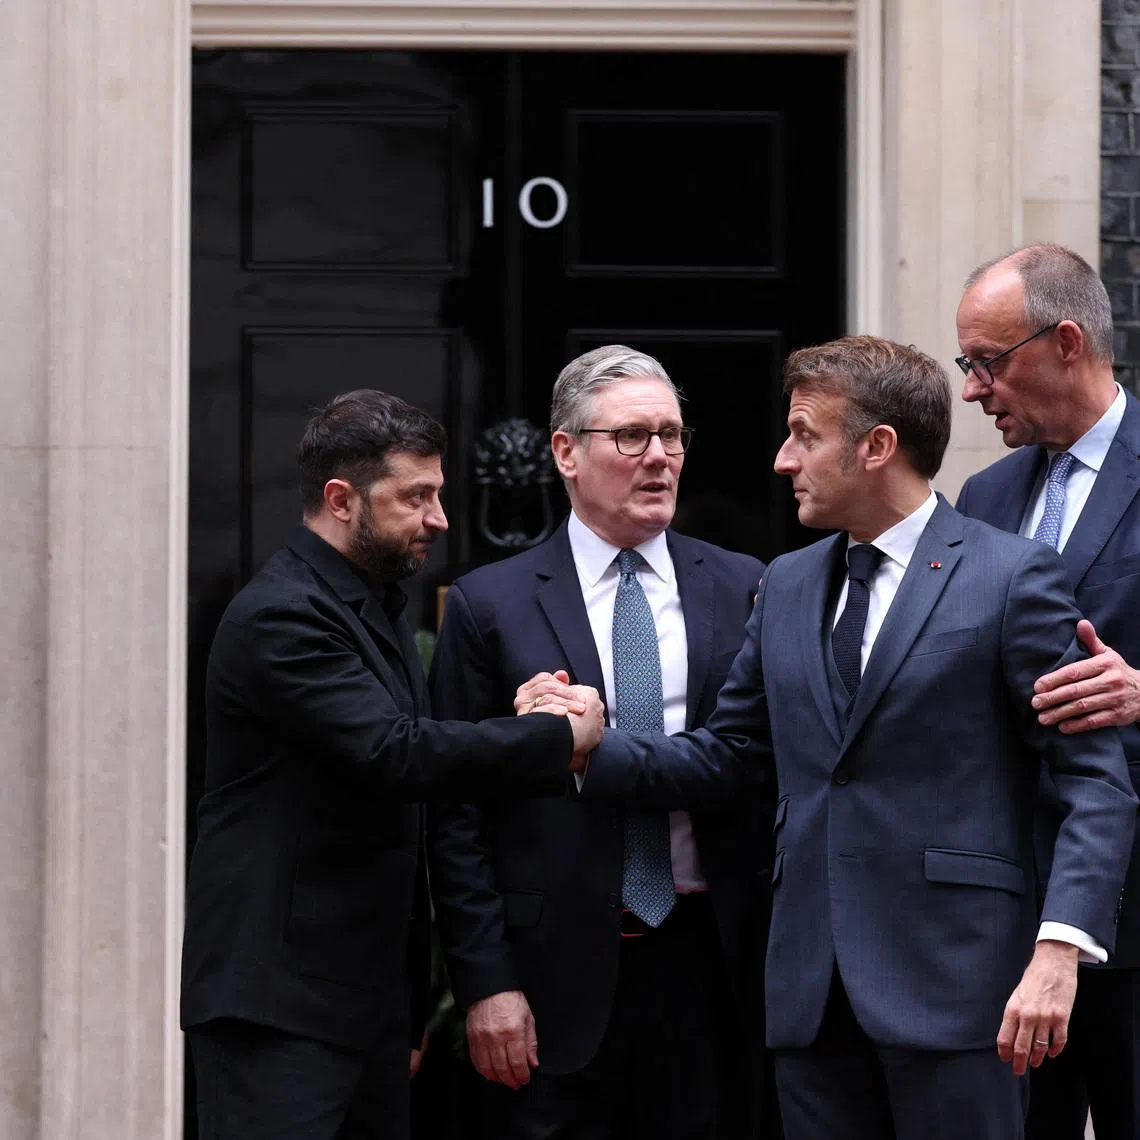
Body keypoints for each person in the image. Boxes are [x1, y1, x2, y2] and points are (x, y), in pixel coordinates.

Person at [526, 336, 1138, 1140]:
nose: (783, 460)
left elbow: (1093, 780)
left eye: (805, 435)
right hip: (810, 998)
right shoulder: (783, 583)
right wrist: (585, 747)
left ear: (876, 447)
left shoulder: (1012, 576)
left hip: (963, 993)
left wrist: (1060, 952)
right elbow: (730, 756)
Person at [180, 390, 603, 1140]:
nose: (439, 518)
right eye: (416, 497)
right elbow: (394, 754)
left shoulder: (371, 605)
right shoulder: (285, 613)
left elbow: (413, 743)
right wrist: (551, 737)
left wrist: (521, 715)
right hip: (279, 1010)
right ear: (342, 500)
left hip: (363, 1004)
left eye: (436, 494)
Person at [427, 345, 775, 1140]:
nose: (658, 456)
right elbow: (456, 818)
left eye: (672, 435)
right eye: (631, 437)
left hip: (712, 965)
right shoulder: (490, 605)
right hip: (552, 975)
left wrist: (591, 748)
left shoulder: (747, 584)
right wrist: (485, 984)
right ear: (565, 452)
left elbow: (754, 764)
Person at [954, 243, 1140, 1140]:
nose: (973, 390)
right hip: (1005, 917)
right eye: (968, 365)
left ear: (1067, 341)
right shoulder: (984, 498)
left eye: (989, 363)